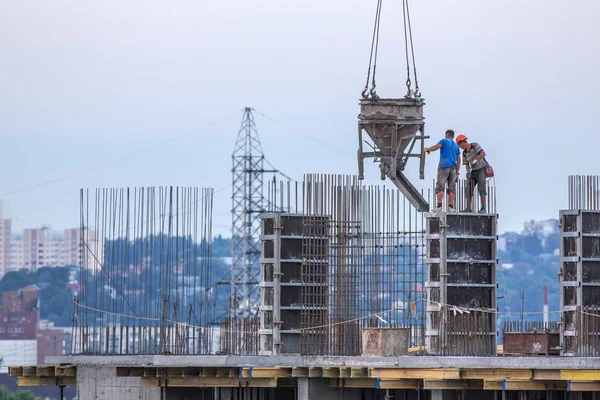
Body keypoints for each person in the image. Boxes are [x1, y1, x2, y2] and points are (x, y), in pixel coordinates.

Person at [424, 129, 461, 211]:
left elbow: (436, 147)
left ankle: (439, 206)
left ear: (446, 135)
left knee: (440, 186)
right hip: (453, 168)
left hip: (444, 166)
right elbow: (459, 160)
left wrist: (428, 149)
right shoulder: (456, 146)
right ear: (453, 136)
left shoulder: (444, 141)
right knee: (451, 187)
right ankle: (450, 207)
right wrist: (457, 173)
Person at [455, 134, 488, 213]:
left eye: (460, 145)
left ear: (462, 142)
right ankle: (468, 208)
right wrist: (468, 172)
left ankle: (483, 208)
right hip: (474, 171)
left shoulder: (474, 145)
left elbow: (483, 153)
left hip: (481, 169)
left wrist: (475, 160)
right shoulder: (464, 153)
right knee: (468, 189)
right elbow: (467, 165)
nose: (460, 147)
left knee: (481, 188)